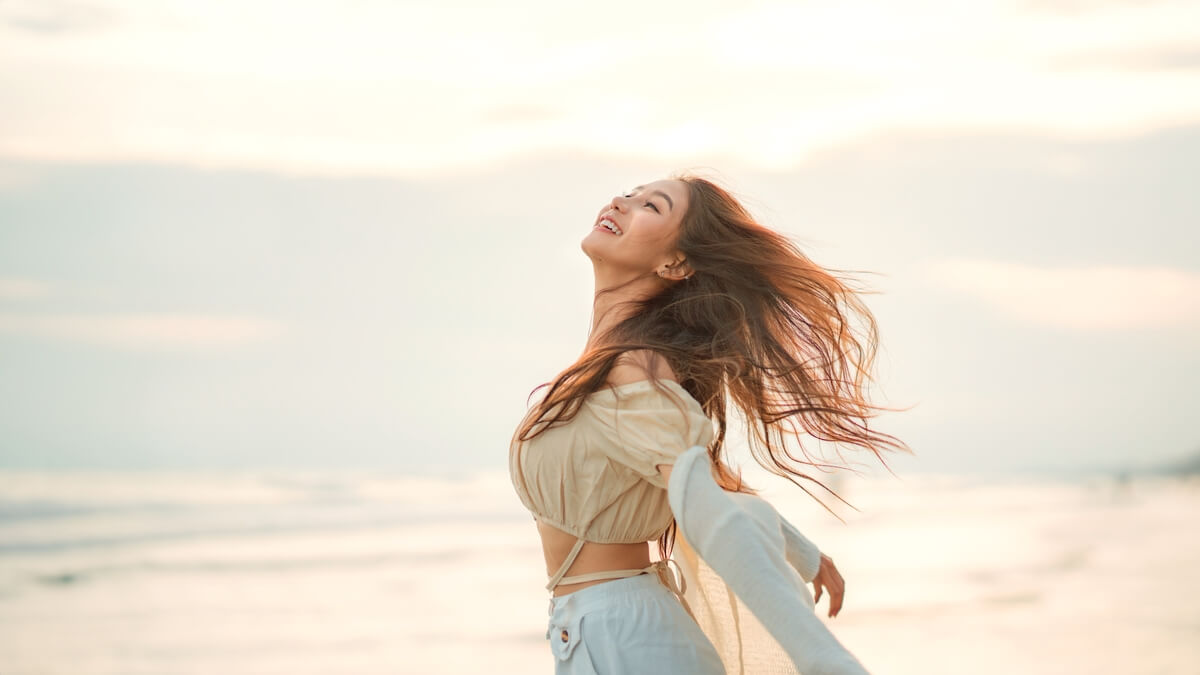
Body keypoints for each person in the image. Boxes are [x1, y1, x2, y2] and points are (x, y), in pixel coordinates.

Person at [508, 174, 912, 674]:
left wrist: (825, 661)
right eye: (630, 193)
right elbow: (703, 479)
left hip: (626, 639)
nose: (621, 201)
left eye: (651, 206)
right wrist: (802, 551)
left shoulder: (634, 368)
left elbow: (705, 508)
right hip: (598, 631)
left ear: (676, 263)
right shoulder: (609, 364)